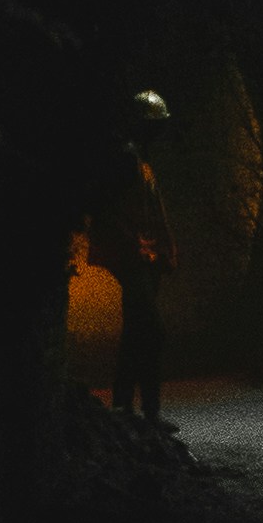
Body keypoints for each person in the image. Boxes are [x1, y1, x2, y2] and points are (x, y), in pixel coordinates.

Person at [86, 89, 179, 422]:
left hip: (142, 256)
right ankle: (149, 413)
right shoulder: (126, 158)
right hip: (133, 256)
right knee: (151, 331)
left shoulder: (137, 158)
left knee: (136, 330)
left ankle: (123, 404)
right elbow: (109, 210)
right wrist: (133, 245)